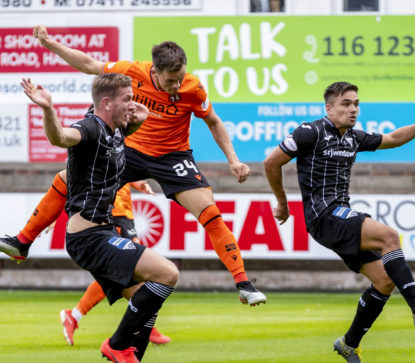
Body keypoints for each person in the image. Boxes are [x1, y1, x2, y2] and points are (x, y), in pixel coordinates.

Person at [0, 25, 266, 306]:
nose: (177, 85)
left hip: (173, 157)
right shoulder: (131, 71)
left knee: (210, 213)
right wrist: (50, 43)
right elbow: (90, 64)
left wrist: (234, 160)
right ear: (155, 71)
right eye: (171, 80)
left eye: (180, 78)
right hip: (132, 150)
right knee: (66, 178)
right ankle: (22, 242)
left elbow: (213, 121)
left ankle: (243, 283)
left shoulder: (193, 87)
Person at [263, 81, 415, 362]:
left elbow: (394, 139)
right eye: (346, 104)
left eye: (356, 103)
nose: (353, 109)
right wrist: (282, 202)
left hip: (339, 215)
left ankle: (349, 343)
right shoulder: (310, 132)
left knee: (385, 281)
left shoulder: (353, 137)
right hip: (324, 216)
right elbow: (271, 162)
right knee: (389, 236)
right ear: (328, 108)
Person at [21, 73, 177, 362]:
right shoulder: (90, 126)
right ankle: (116, 345)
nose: (132, 104)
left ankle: (126, 355)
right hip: (88, 238)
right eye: (127, 99)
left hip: (101, 234)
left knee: (147, 302)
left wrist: (139, 120)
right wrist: (48, 109)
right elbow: (61, 137)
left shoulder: (115, 131)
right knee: (167, 273)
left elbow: (113, 154)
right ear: (106, 103)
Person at [59, 181, 172, 346]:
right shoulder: (92, 159)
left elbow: (125, 168)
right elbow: (72, 180)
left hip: (124, 215)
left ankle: (74, 315)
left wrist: (139, 184)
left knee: (121, 273)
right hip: (113, 214)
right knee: (127, 271)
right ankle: (144, 327)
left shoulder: (118, 157)